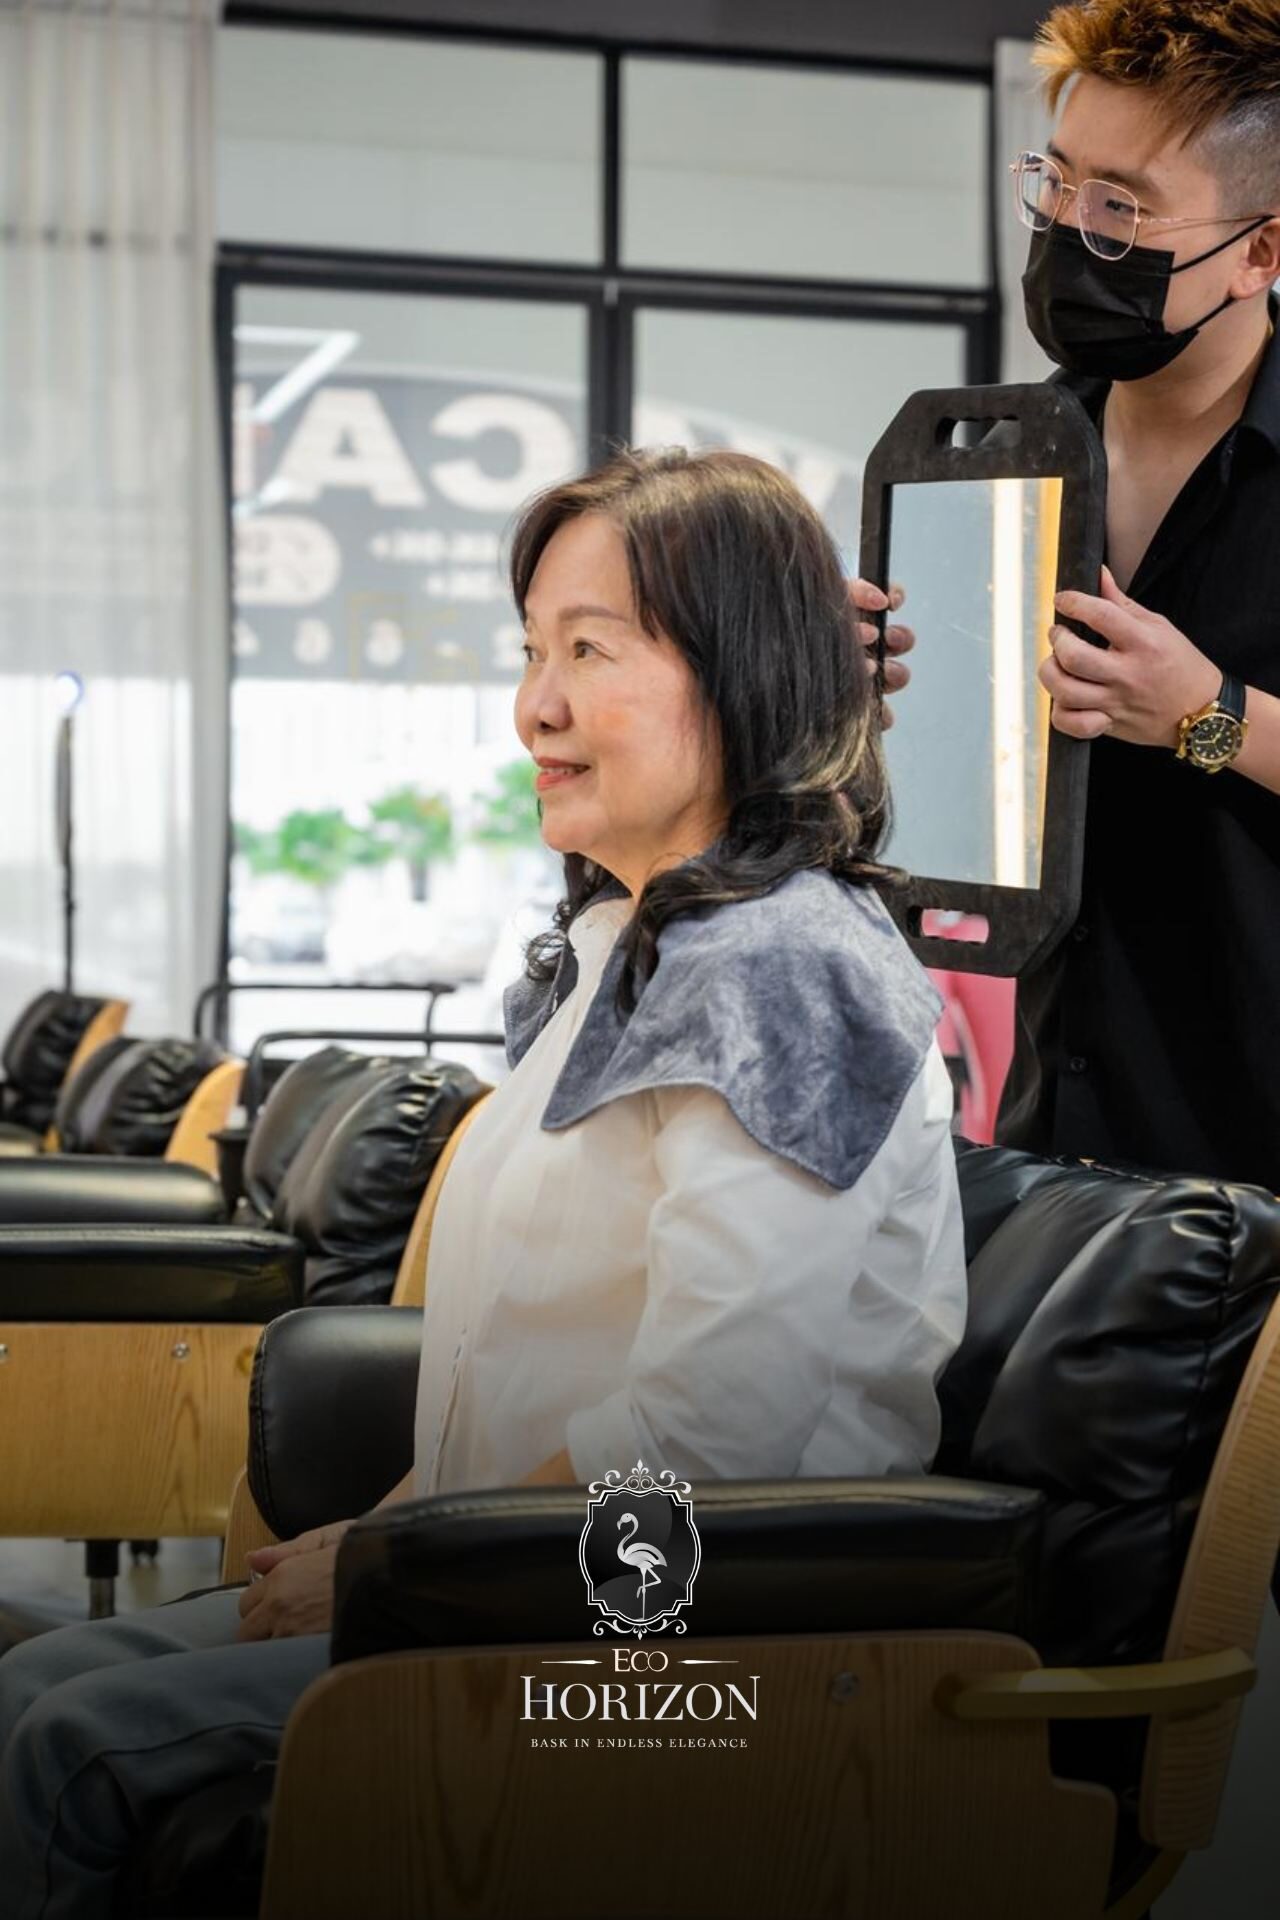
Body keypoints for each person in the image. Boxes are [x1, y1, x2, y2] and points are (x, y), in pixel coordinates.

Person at [0, 447, 966, 1918]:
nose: (536, 707)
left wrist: (392, 1563)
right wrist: (386, 1534)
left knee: (62, 1738)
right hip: (502, 1579)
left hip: (666, 1630)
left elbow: (710, 1435)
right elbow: (506, 1370)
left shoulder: (783, 968)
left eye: (591, 650)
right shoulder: (640, 944)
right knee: (41, 1686)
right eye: (530, 651)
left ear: (747, 673)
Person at [994, 0, 1280, 1184]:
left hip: (1252, 1160)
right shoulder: (1004, 455)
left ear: (1259, 252)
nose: (1070, 230)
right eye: (1056, 184)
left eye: (1119, 207)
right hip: (1049, 1145)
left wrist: (1206, 717)